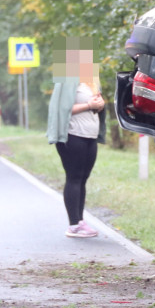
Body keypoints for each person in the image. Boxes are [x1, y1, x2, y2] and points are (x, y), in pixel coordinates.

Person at [46, 38, 106, 238]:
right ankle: (73, 224)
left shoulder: (92, 81)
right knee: (74, 177)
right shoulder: (67, 79)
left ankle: (80, 221)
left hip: (89, 135)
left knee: (83, 179)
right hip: (72, 136)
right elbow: (62, 109)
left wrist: (99, 104)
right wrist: (90, 105)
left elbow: (97, 103)